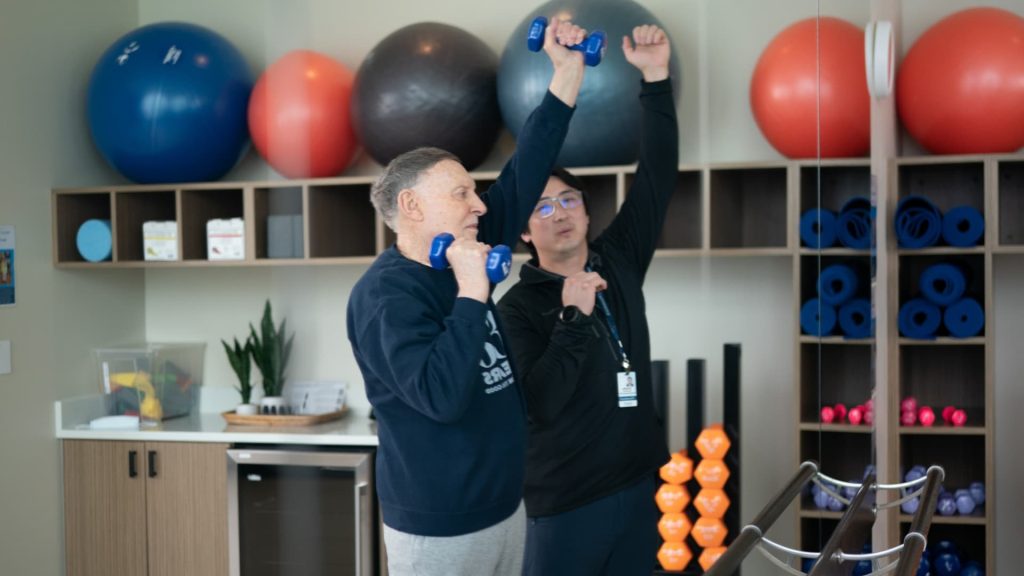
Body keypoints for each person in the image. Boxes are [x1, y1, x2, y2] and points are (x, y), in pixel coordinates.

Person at [346, 19, 588, 576]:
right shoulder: (385, 297)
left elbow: (530, 162)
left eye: (476, 193)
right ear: (411, 208)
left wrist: (567, 70)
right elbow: (442, 396)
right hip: (439, 526)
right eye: (461, 194)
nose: (480, 207)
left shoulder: (467, 247)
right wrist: (474, 292)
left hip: (504, 507)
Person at [496, 24, 678, 576]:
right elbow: (539, 403)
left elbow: (657, 179)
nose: (561, 213)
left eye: (568, 199)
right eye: (543, 208)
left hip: (636, 485)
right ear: (524, 232)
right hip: (564, 505)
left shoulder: (617, 259)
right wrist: (572, 317)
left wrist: (655, 78)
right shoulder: (515, 310)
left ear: (587, 209)